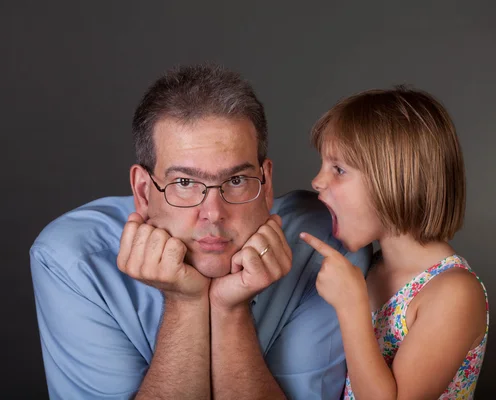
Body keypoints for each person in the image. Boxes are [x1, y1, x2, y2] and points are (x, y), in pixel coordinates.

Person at [29, 63, 372, 399]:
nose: (213, 214)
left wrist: (229, 310)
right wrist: (184, 303)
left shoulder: (327, 243)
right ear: (144, 191)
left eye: (236, 181)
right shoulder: (72, 260)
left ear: (266, 185)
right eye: (184, 183)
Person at [299, 86, 489, 399]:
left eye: (338, 169)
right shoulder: (368, 265)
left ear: (393, 179)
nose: (317, 181)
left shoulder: (454, 293)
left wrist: (351, 306)